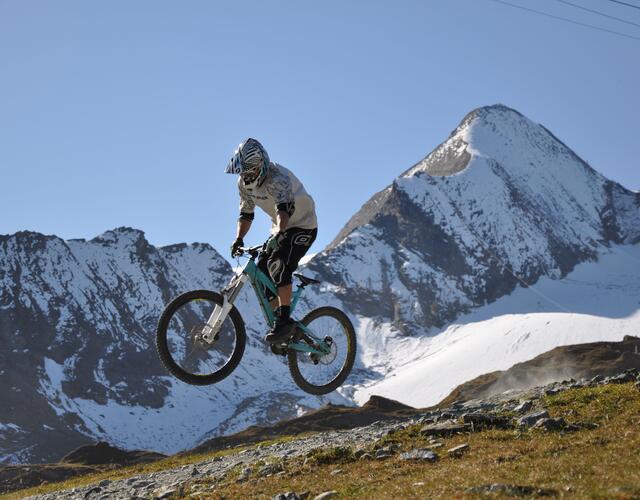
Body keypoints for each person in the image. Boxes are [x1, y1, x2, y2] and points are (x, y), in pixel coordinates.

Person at [225, 138, 318, 343]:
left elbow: (283, 210)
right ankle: (282, 326)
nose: (246, 175)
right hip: (280, 229)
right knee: (262, 275)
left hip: (303, 225)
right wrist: (239, 239)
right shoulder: (243, 184)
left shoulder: (277, 178)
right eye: (243, 171)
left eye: (250, 171)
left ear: (262, 166)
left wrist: (278, 235)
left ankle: (284, 322)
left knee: (279, 265)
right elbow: (246, 214)